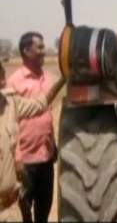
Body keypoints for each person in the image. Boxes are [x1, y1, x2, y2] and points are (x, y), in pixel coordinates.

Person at [6, 32, 60, 223]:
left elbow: (47, 112)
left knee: (43, 211)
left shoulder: (49, 78)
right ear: (26, 51)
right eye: (40, 47)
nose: (44, 51)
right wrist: (18, 159)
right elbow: (9, 124)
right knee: (26, 213)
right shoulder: (14, 82)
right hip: (25, 162)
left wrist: (53, 145)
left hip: (45, 157)